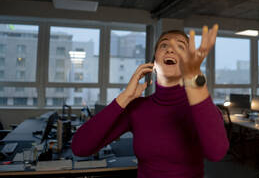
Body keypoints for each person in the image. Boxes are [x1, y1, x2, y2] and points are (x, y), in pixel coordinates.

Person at [71, 24, 229, 178]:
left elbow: (217, 153)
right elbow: (80, 147)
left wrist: (194, 78)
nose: (170, 48)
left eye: (180, 47)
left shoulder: (201, 107)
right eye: (163, 45)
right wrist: (124, 97)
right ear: (154, 63)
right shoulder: (138, 108)